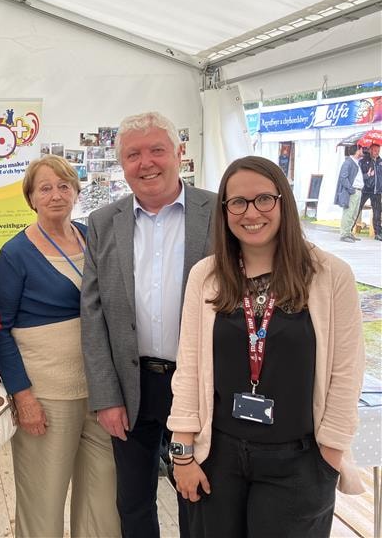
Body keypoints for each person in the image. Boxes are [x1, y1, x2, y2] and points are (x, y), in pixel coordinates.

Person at [168, 155, 365, 538]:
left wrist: (331, 454)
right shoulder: (206, 277)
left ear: (283, 202)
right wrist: (182, 453)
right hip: (218, 458)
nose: (250, 212)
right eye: (237, 202)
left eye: (263, 199)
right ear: (225, 211)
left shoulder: (329, 276)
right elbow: (189, 367)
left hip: (300, 461)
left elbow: (346, 372)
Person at [81, 111, 216, 538]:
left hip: (199, 384)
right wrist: (106, 396)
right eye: (133, 154)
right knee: (134, 501)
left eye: (157, 149)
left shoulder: (217, 212)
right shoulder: (103, 223)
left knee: (197, 493)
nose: (146, 162)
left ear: (179, 153)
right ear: (122, 164)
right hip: (132, 385)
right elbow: (94, 313)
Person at [0, 155, 120, 537]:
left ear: (77, 191)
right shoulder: (15, 254)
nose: (56, 195)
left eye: (64, 185)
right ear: (31, 197)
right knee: (43, 502)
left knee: (102, 500)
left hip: (100, 392)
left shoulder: (91, 237)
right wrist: (23, 397)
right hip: (47, 396)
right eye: (45, 188)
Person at [334, 145, 364, 243]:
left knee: (354, 214)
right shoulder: (348, 162)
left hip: (357, 191)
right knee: (348, 213)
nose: (362, 151)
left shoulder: (356, 162)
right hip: (352, 192)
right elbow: (343, 178)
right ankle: (344, 234)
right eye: (361, 149)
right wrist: (351, 190)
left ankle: (348, 232)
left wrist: (368, 175)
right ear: (357, 151)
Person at [356, 142, 382, 241]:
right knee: (357, 208)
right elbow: (358, 177)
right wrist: (368, 175)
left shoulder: (380, 161)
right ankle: (348, 230)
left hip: (377, 191)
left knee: (377, 213)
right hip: (365, 189)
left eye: (378, 151)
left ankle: (378, 233)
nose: (377, 152)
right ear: (370, 150)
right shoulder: (363, 161)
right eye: (375, 150)